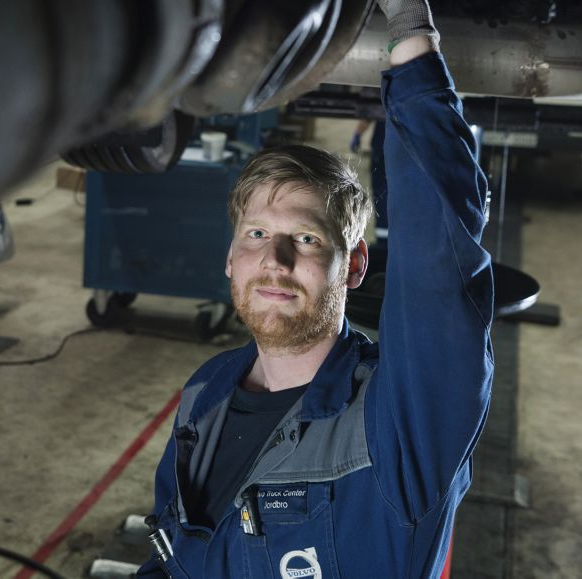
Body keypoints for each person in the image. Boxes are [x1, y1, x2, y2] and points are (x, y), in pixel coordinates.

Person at [137, 0, 494, 577]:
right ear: (231, 257)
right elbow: (172, 556)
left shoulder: (396, 419)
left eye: (305, 239)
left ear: (353, 266)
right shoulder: (205, 394)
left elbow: (438, 262)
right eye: (256, 233)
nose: (273, 260)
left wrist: (408, 26)